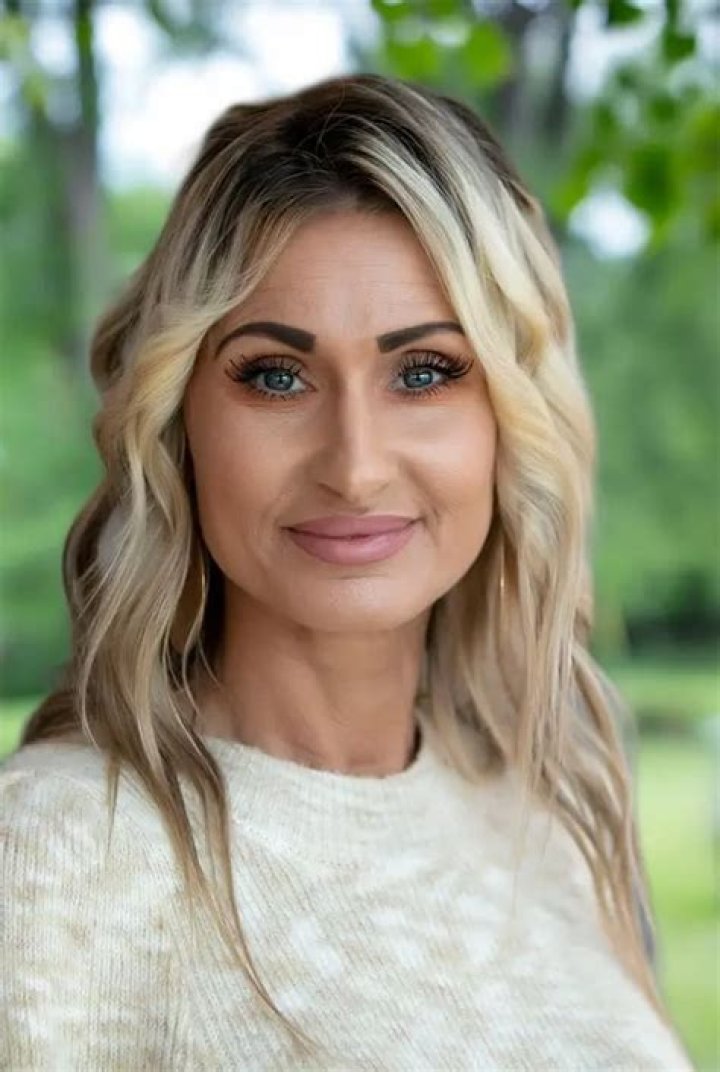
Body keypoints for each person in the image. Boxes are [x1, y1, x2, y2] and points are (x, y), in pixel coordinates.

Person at [0, 73, 693, 1070]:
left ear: (508, 418)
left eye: (425, 372)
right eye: (277, 377)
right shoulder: (54, 854)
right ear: (181, 420)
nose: (356, 466)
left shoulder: (548, 818)